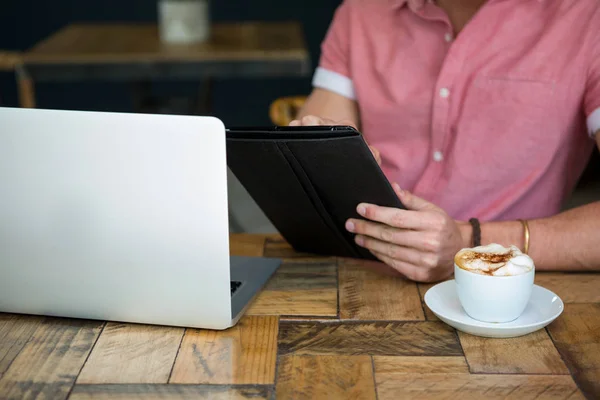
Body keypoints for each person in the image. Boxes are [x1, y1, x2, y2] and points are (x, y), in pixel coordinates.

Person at [290, 0, 600, 282]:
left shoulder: (586, 17)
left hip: (508, 288)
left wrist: (469, 243)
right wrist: (315, 152)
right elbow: (318, 140)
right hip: (361, 269)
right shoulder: (362, 11)